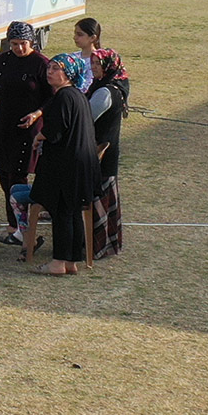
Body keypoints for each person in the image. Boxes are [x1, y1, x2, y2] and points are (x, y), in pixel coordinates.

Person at [0, 23, 53, 245]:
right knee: (3, 174)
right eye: (14, 44)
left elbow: (53, 96)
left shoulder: (41, 64)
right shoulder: (5, 59)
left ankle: (23, 229)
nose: (19, 48)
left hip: (28, 130)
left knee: (17, 178)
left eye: (23, 44)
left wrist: (37, 113)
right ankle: (13, 225)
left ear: (31, 42)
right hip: (5, 125)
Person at [30, 71, 101, 275]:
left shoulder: (64, 96)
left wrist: (40, 137)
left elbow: (56, 130)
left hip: (66, 166)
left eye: (55, 68)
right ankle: (71, 262)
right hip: (79, 165)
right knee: (72, 212)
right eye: (49, 67)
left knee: (61, 212)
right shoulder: (78, 95)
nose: (49, 72)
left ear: (68, 74)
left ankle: (58, 263)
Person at [76, 18, 130, 261]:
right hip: (104, 153)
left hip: (100, 155)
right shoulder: (110, 85)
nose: (94, 67)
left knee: (96, 200)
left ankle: (92, 247)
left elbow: (86, 118)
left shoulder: (105, 93)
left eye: (98, 64)